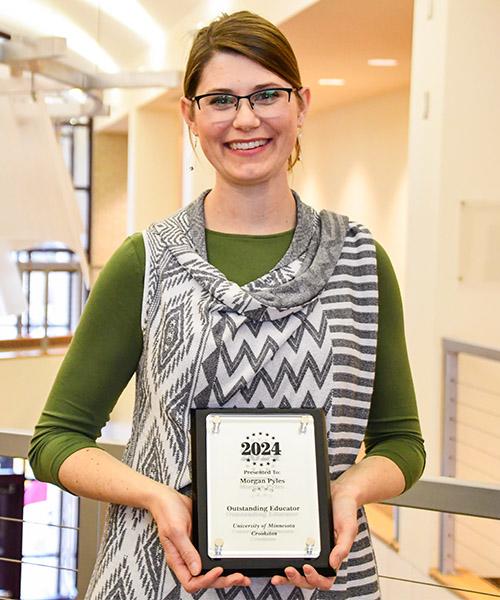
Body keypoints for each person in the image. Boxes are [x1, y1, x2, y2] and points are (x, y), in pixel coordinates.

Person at [29, 10, 425, 600]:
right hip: (160, 578)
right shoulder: (146, 260)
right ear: (190, 114)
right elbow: (56, 439)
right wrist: (154, 495)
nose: (246, 119)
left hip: (324, 581)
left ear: (302, 104)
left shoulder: (362, 261)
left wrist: (347, 491)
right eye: (220, 100)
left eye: (268, 94)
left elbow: (401, 442)